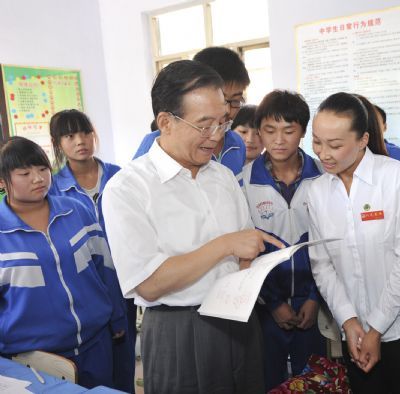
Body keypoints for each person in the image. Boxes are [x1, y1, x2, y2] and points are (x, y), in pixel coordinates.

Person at [102, 60, 284, 394]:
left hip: (240, 322)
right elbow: (150, 284)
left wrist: (253, 262)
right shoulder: (128, 188)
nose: (216, 137)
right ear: (166, 122)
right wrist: (226, 245)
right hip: (179, 332)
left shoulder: (223, 177)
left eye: (222, 123)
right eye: (205, 125)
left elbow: (243, 245)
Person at [307, 92, 400, 393]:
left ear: (363, 139)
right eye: (316, 142)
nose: (323, 153)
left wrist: (375, 328)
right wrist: (349, 321)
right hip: (354, 333)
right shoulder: (317, 192)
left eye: (335, 145)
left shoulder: (397, 178)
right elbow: (322, 265)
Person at [0, 136, 126, 389]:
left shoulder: (76, 210)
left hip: (96, 342)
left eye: (43, 169)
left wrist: (118, 316)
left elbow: (106, 267)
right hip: (34, 358)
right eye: (24, 173)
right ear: (2, 181)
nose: (38, 178)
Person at [240, 90, 326, 390]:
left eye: (289, 131)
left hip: (315, 305)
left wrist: (316, 298)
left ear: (303, 131)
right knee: (269, 380)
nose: (278, 140)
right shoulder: (243, 182)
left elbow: (331, 245)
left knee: (315, 380)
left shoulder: (325, 178)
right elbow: (246, 254)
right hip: (265, 308)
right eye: (269, 130)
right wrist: (274, 303)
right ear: (259, 131)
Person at [47, 109, 135, 393]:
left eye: (85, 133)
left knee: (124, 357)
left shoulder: (118, 176)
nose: (80, 141)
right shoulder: (54, 188)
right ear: (58, 143)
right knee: (93, 367)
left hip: (124, 277)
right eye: (70, 136)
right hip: (84, 284)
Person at [133, 47, 248, 177]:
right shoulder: (155, 145)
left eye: (236, 101)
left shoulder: (237, 144)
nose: (227, 110)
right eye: (223, 100)